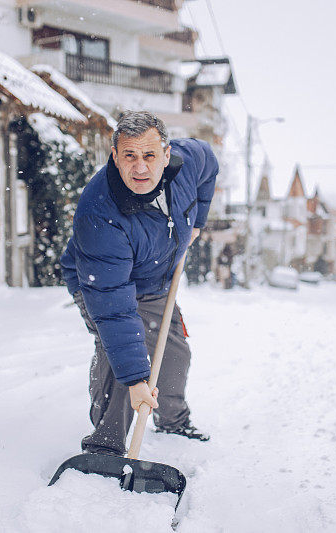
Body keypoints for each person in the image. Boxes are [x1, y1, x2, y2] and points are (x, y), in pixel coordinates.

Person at [60, 111, 218, 457]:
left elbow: (209, 161)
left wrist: (197, 223)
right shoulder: (99, 215)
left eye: (149, 156)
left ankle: (174, 423)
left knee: (174, 353)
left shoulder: (189, 161)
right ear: (115, 156)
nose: (140, 168)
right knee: (120, 357)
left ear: (166, 153)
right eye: (129, 156)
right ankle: (106, 444)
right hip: (102, 282)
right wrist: (135, 381)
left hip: (156, 278)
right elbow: (115, 310)